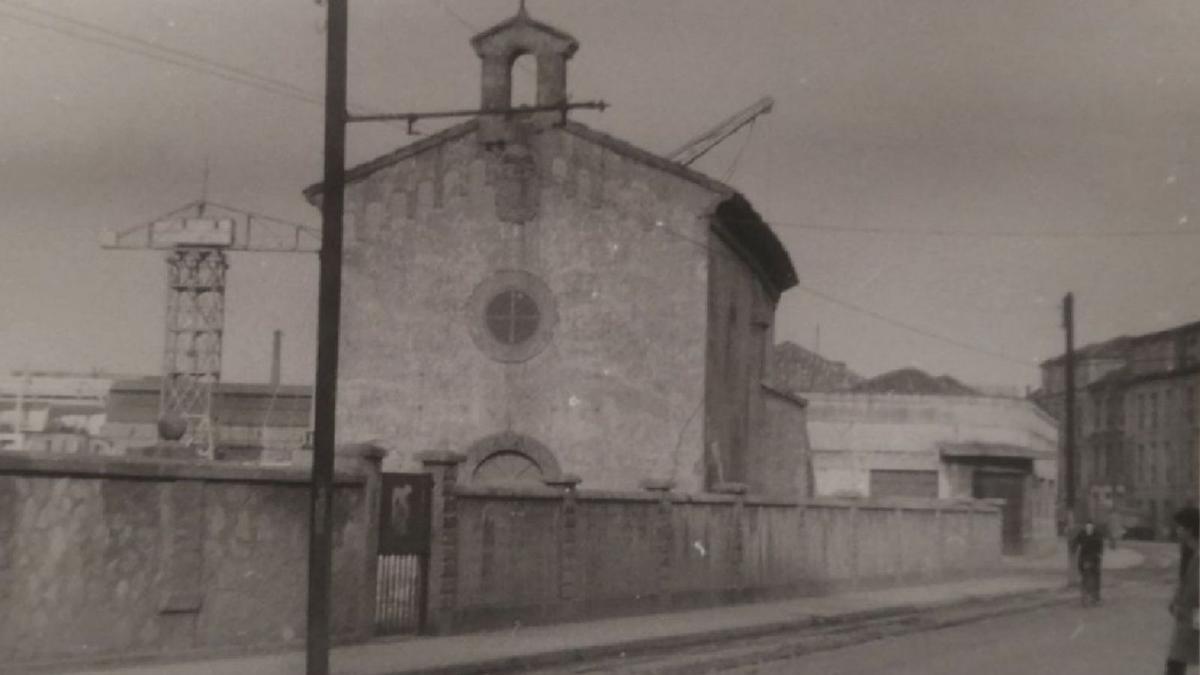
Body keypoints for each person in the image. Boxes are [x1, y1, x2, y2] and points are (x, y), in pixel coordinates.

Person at [1165, 506, 1199, 675]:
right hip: (1187, 618)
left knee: (1175, 663)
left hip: (1192, 618)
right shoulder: (1190, 551)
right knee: (1175, 663)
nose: (1177, 530)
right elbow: (1185, 581)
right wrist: (1176, 599)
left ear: (1190, 530)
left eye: (1180, 527)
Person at [1072, 520, 1107, 603]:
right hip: (1084, 557)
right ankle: (1085, 595)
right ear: (1085, 527)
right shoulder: (1082, 533)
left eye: (1090, 527)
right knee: (1085, 575)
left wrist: (1100, 553)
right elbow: (1076, 541)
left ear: (1093, 527)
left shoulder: (1097, 534)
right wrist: (1073, 548)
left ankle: (1096, 596)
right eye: (1087, 527)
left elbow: (1101, 544)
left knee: (1096, 576)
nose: (1089, 529)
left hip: (1095, 557)